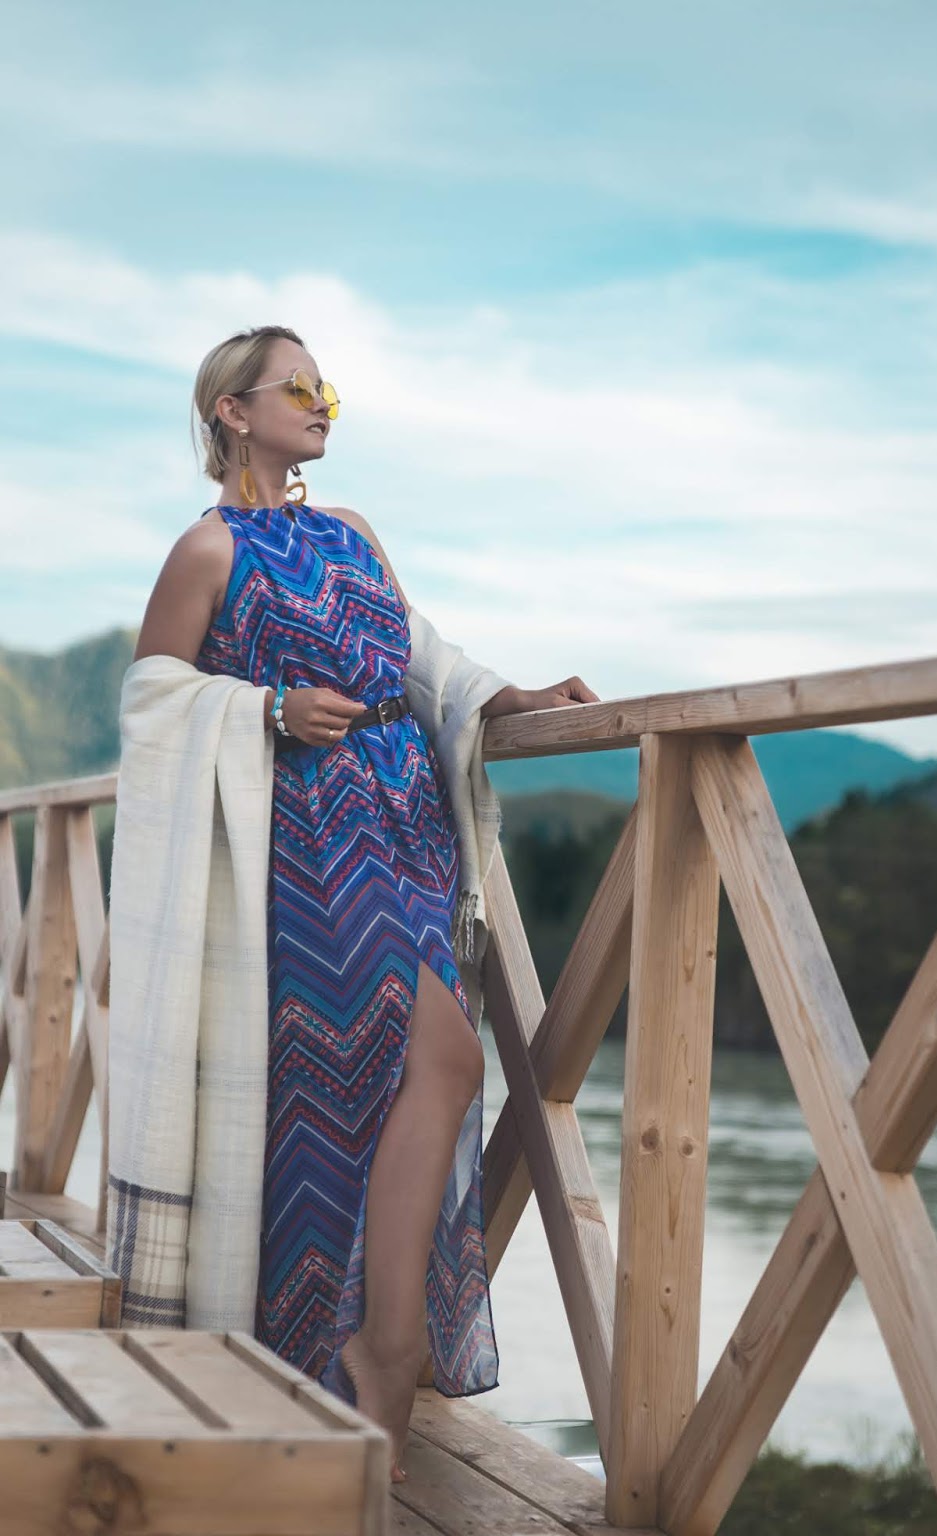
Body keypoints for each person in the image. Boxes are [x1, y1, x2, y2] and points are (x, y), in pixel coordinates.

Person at [123, 323, 598, 1481]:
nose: (321, 400)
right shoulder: (207, 549)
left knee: (421, 1070)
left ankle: (369, 1342)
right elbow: (151, 699)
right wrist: (267, 710)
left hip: (406, 815)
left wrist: (506, 696)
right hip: (306, 831)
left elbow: (417, 657)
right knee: (403, 1065)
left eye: (324, 385)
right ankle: (372, 1347)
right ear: (232, 411)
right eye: (297, 385)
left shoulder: (352, 532)